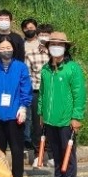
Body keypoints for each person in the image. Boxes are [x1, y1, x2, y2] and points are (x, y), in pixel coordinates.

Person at [38, 32, 86, 177]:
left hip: (66, 120)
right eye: (53, 44)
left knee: (67, 153)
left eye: (60, 44)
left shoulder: (72, 68)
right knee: (56, 152)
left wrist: (76, 117)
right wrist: (41, 113)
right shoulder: (45, 69)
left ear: (65, 48)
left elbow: (79, 94)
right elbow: (42, 93)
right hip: (50, 119)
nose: (56, 47)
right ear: (48, 47)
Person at [0, 37, 32, 177]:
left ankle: (16, 176)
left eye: (8, 48)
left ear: (13, 49)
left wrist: (23, 107)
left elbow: (26, 88)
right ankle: (0, 175)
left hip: (15, 113)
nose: (5, 50)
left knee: (16, 147)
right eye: (2, 48)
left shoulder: (21, 67)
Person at [22, 18, 49, 164]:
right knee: (37, 124)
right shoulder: (30, 54)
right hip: (36, 91)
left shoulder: (58, 55)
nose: (45, 38)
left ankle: (51, 153)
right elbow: (26, 76)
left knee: (53, 122)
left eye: (48, 35)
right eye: (42, 35)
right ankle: (38, 153)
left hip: (53, 93)